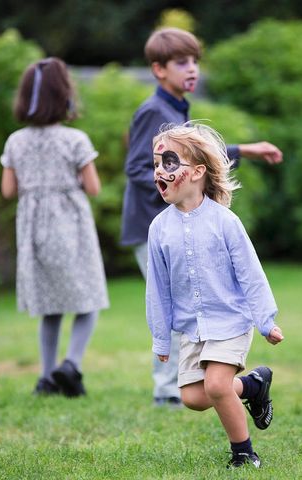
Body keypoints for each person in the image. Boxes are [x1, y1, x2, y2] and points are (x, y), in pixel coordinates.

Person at [121, 27, 283, 408]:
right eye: (182, 62)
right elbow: (137, 168)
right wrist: (172, 197)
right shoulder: (154, 112)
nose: (192, 69)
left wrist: (245, 149)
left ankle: (210, 384)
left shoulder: (177, 109)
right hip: (157, 227)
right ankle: (167, 391)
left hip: (182, 224)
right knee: (170, 302)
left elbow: (194, 154)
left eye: (195, 61)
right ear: (158, 70)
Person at [146, 123, 284, 468]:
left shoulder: (225, 222)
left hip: (230, 321)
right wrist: (162, 340)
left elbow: (251, 274)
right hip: (193, 329)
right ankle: (253, 387)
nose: (159, 171)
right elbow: (158, 289)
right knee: (193, 397)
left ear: (197, 172)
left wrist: (265, 321)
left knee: (218, 386)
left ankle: (244, 454)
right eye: (156, 163)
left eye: (169, 162)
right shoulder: (158, 229)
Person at [0, 57, 109, 397]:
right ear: (64, 95)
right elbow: (93, 188)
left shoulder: (16, 141)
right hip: (71, 227)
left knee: (50, 307)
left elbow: (7, 191)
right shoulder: (74, 139)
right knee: (88, 300)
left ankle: (46, 377)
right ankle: (71, 365)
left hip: (33, 230)